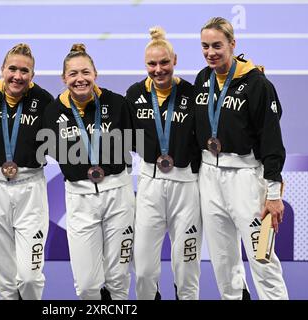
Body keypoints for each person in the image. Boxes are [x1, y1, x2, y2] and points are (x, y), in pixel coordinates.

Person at [195, 17, 288, 300]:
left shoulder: (258, 84)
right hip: (209, 177)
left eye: (217, 46)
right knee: (224, 262)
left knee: (262, 258)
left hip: (247, 180)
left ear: (232, 45)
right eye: (205, 46)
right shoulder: (203, 78)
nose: (211, 52)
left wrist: (273, 193)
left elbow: (272, 141)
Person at [41, 44, 135, 300]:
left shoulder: (117, 103)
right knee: (86, 285)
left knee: (118, 279)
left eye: (85, 72)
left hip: (118, 194)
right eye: (72, 74)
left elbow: (140, 141)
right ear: (64, 78)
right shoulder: (52, 112)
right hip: (79, 198)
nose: (79, 79)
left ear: (95, 73)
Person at [125, 26, 201, 300]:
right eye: (152, 64)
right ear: (145, 65)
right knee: (144, 271)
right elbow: (127, 136)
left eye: (164, 62)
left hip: (186, 187)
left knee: (187, 268)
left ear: (175, 61)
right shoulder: (134, 94)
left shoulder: (192, 94)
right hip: (149, 185)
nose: (159, 69)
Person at [0, 43, 53, 300]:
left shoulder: (43, 100)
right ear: (2, 69)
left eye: (25, 71)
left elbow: (60, 141)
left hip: (31, 189)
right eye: (13, 69)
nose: (18, 75)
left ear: (33, 75)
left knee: (29, 277)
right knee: (5, 280)